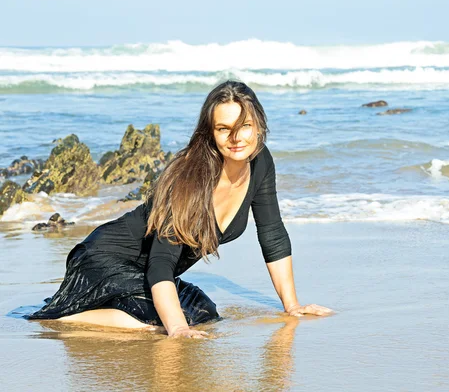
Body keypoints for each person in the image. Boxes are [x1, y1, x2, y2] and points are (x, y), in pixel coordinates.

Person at [26, 81, 332, 338]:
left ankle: (98, 310)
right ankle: (64, 318)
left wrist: (291, 305)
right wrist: (175, 329)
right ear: (210, 132)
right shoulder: (189, 177)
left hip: (145, 272)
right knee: (163, 322)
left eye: (245, 126)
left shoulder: (260, 161)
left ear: (259, 125)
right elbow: (161, 260)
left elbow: (272, 232)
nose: (236, 138)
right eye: (224, 128)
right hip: (103, 259)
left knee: (203, 312)